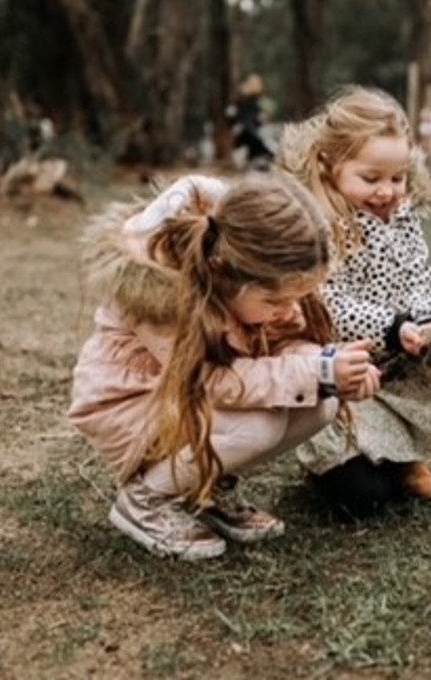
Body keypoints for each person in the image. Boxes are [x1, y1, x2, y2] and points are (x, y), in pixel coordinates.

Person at [68, 173, 381, 561]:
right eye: (276, 301)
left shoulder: (255, 289)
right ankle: (145, 500)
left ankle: (205, 489)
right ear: (222, 269)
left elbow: (282, 347)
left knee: (321, 404)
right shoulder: (165, 297)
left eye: (297, 298)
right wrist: (315, 372)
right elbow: (213, 381)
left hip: (185, 398)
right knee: (257, 426)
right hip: (132, 402)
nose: (289, 311)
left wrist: (327, 369)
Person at [277, 85, 431, 518]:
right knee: (364, 500)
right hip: (345, 372)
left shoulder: (402, 214)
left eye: (397, 178)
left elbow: (419, 276)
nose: (387, 192)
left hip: (400, 355)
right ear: (329, 165)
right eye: (370, 178)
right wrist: (391, 327)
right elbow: (324, 300)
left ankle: (404, 453)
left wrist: (427, 323)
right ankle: (335, 464)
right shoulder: (317, 224)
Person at [227, 74, 275, 171]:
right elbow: (233, 116)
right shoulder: (242, 101)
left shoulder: (253, 102)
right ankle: (255, 162)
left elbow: (233, 116)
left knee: (259, 147)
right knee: (257, 145)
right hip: (246, 133)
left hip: (248, 133)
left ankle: (256, 162)